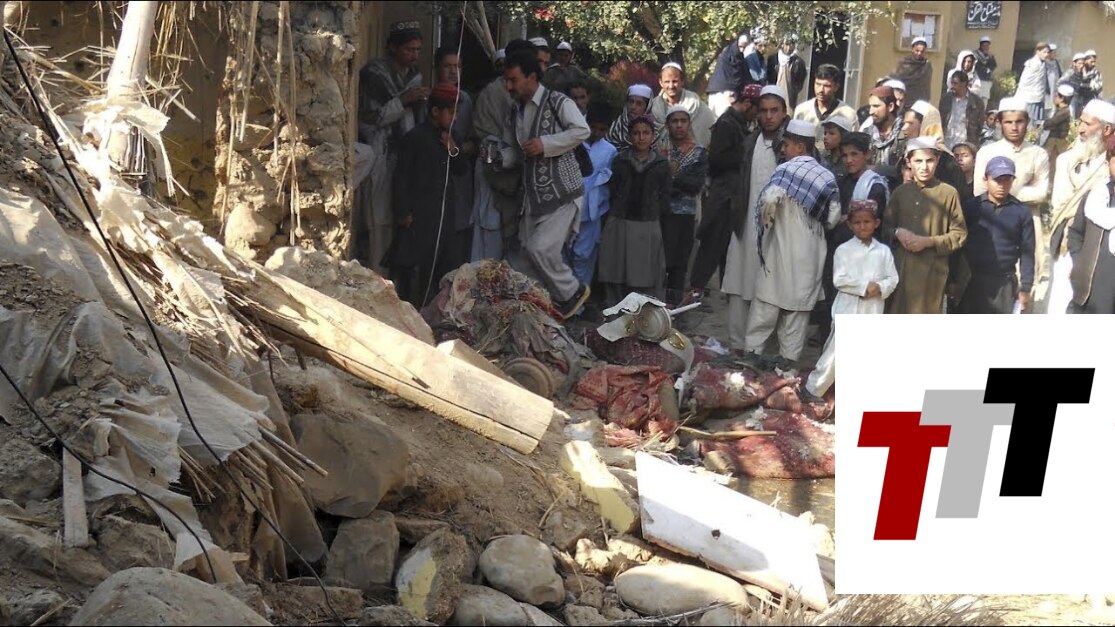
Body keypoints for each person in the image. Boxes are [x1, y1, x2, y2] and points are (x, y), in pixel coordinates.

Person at [498, 51, 592, 319]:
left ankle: (573, 292)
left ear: (531, 77)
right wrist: (498, 158)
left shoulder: (558, 101)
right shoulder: (515, 110)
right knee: (523, 259)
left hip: (563, 193)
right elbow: (518, 152)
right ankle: (538, 311)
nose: (509, 86)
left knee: (541, 248)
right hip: (533, 197)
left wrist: (546, 144)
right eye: (506, 80)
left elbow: (581, 131)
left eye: (514, 80)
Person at [743, 119, 841, 365]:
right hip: (809, 257)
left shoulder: (783, 172)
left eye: (786, 145)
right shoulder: (827, 177)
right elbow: (832, 218)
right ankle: (787, 367)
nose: (784, 150)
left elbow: (768, 206)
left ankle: (751, 357)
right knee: (797, 315)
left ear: (800, 147)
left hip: (778, 254)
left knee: (764, 309)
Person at [352, 21, 429, 274]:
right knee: (380, 222)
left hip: (405, 158)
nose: (414, 55)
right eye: (409, 49)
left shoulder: (413, 76)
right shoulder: (374, 76)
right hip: (381, 155)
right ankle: (377, 279)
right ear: (393, 47)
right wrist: (402, 101)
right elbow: (368, 120)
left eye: (417, 50)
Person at [803, 199, 897, 401]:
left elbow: (893, 278)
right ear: (849, 224)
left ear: (876, 223)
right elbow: (839, 279)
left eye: (867, 222)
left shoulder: (883, 251)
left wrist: (880, 287)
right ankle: (812, 389)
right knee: (836, 353)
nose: (862, 226)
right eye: (857, 222)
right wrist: (864, 287)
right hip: (847, 309)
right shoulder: (843, 250)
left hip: (872, 309)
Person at [388, 84, 468, 307]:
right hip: (419, 217)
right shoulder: (415, 138)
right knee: (416, 271)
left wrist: (453, 149)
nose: (455, 118)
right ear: (435, 111)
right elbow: (401, 177)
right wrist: (402, 212)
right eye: (451, 112)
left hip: (443, 217)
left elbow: (461, 169)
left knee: (443, 268)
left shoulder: (451, 137)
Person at [722, 85, 789, 350]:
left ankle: (762, 348)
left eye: (775, 111)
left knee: (771, 286)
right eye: (764, 111)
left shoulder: (793, 146)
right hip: (746, 224)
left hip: (779, 230)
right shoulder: (749, 142)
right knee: (740, 281)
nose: (769, 116)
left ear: (784, 112)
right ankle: (738, 344)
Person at [814, 132, 889, 343]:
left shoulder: (874, 186)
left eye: (854, 154)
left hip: (864, 260)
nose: (849, 160)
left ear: (867, 155)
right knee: (832, 307)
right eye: (845, 155)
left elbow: (865, 221)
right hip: (837, 254)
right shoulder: (841, 182)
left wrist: (846, 218)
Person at [882, 137, 968, 314]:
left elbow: (959, 234)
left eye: (929, 160)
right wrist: (898, 233)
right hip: (900, 270)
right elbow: (885, 229)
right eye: (918, 161)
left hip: (932, 274)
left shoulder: (948, 193)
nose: (924, 167)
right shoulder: (900, 193)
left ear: (937, 160)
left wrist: (928, 242)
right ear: (909, 162)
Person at [1047, 99, 1115, 315]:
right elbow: (1060, 205)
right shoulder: (1067, 160)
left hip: (1096, 252)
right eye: (1080, 122)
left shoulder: (1109, 165)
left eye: (1088, 124)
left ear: (1106, 129)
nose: (1081, 129)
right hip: (1067, 244)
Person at [973, 97, 1051, 283]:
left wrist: (1000, 191)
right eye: (1008, 122)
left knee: (1026, 281)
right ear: (999, 123)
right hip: (992, 220)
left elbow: (1041, 192)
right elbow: (979, 191)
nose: (1014, 127)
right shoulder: (987, 152)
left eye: (1019, 121)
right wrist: (1023, 189)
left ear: (1027, 122)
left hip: (1028, 221)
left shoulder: (1038, 154)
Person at [599, 114, 672, 304]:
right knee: (616, 269)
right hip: (620, 220)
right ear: (629, 136)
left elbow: (665, 195)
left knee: (645, 271)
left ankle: (646, 312)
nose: (641, 137)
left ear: (653, 136)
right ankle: (616, 311)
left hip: (648, 223)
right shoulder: (620, 161)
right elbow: (613, 190)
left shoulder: (661, 164)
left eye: (646, 133)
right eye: (636, 133)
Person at [690, 85, 756, 296]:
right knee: (712, 243)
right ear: (747, 104)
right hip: (723, 195)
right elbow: (716, 160)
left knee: (729, 247)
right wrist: (744, 155)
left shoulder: (739, 124)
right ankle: (695, 292)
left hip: (733, 195)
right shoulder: (727, 124)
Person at [959, 156, 1036, 314]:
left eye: (1007, 180)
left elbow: (1027, 253)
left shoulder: (1021, 212)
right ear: (986, 179)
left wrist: (1026, 288)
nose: (1002, 185)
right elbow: (958, 244)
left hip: (1004, 283)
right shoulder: (971, 207)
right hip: (971, 280)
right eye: (997, 180)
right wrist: (954, 280)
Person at [660, 107, 709, 301]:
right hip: (660, 214)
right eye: (674, 121)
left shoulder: (698, 152)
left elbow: (695, 185)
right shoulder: (658, 149)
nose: (679, 125)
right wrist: (678, 180)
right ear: (667, 125)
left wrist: (670, 179)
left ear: (689, 124)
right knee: (658, 261)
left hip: (685, 216)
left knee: (679, 264)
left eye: (683, 121)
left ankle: (673, 307)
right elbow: (655, 183)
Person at [434, 46, 476, 269]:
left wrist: (456, 148)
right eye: (447, 66)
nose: (453, 71)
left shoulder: (466, 100)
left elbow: (474, 140)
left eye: (457, 66)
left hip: (458, 176)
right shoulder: (428, 97)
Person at [568, 102, 617, 289]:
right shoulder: (573, 142)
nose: (596, 132)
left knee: (583, 255)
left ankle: (581, 296)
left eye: (602, 129)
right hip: (567, 207)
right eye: (592, 127)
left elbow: (607, 183)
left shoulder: (609, 151)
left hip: (591, 211)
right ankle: (562, 296)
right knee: (562, 252)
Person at [1068, 151, 1115, 313]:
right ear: (1107, 164)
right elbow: (1076, 233)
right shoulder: (1095, 197)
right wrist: (1079, 263)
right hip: (1090, 285)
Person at [793, 64, 858, 154]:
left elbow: (853, 146)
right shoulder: (802, 110)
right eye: (818, 84)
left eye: (827, 86)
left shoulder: (848, 114)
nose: (821, 90)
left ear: (836, 87)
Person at [650, 62, 717, 149]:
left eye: (675, 81)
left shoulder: (695, 104)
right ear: (661, 82)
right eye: (667, 82)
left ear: (682, 81)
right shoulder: (654, 108)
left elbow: (712, 129)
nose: (671, 86)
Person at [707, 31, 764, 117]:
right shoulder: (728, 55)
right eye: (740, 46)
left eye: (744, 47)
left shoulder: (742, 60)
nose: (742, 50)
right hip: (722, 95)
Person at [861, 86, 906, 173]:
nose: (871, 112)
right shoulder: (867, 133)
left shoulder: (904, 132)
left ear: (890, 106)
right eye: (870, 106)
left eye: (876, 106)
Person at [606, 84, 664, 150]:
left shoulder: (654, 132)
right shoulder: (615, 126)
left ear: (647, 107)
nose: (633, 107)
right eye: (631, 102)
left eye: (639, 104)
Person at [940, 69, 985, 147]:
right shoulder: (946, 99)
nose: (952, 86)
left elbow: (979, 125)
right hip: (946, 143)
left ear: (963, 84)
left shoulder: (977, 102)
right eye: (951, 83)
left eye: (955, 84)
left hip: (965, 145)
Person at [1043, 84, 1075, 180]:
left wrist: (1046, 123)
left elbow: (1050, 123)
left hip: (1057, 143)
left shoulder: (1064, 112)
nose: (1054, 97)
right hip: (1055, 141)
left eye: (1057, 95)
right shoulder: (1060, 110)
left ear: (1062, 98)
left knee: (1051, 166)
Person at [766, 35, 808, 109]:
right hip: (774, 93)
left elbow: (800, 79)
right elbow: (769, 76)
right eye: (787, 44)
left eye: (792, 45)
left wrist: (794, 90)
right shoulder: (773, 58)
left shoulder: (798, 62)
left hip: (790, 97)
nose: (789, 48)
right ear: (782, 44)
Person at [1015, 42, 1051, 127]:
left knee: (1037, 123)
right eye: (1044, 52)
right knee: (1029, 122)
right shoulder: (1032, 64)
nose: (1046, 54)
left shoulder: (1043, 63)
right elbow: (1025, 81)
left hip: (1039, 97)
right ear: (1038, 52)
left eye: (1048, 52)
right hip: (1030, 98)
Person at [893, 37, 933, 105]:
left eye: (922, 51)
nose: (919, 53)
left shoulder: (927, 65)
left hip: (921, 102)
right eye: (917, 50)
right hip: (905, 100)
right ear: (912, 49)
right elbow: (897, 79)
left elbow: (926, 85)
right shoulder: (904, 63)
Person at [1061, 52, 1086, 119]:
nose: (1081, 65)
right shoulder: (1070, 72)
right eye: (1079, 63)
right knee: (1073, 115)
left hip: (1077, 97)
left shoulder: (1081, 73)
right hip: (1070, 97)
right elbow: (1060, 82)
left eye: (1083, 64)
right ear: (1074, 63)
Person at [973, 36, 997, 101]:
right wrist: (985, 69)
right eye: (984, 45)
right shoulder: (975, 54)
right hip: (977, 80)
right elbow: (976, 66)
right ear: (981, 46)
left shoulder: (990, 56)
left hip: (987, 81)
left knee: (984, 99)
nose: (986, 47)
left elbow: (994, 65)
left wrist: (989, 69)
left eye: (987, 46)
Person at [1044, 44, 1063, 115]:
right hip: (1047, 89)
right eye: (1053, 52)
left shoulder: (1056, 62)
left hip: (1056, 87)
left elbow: (1059, 73)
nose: (1055, 54)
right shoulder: (1044, 63)